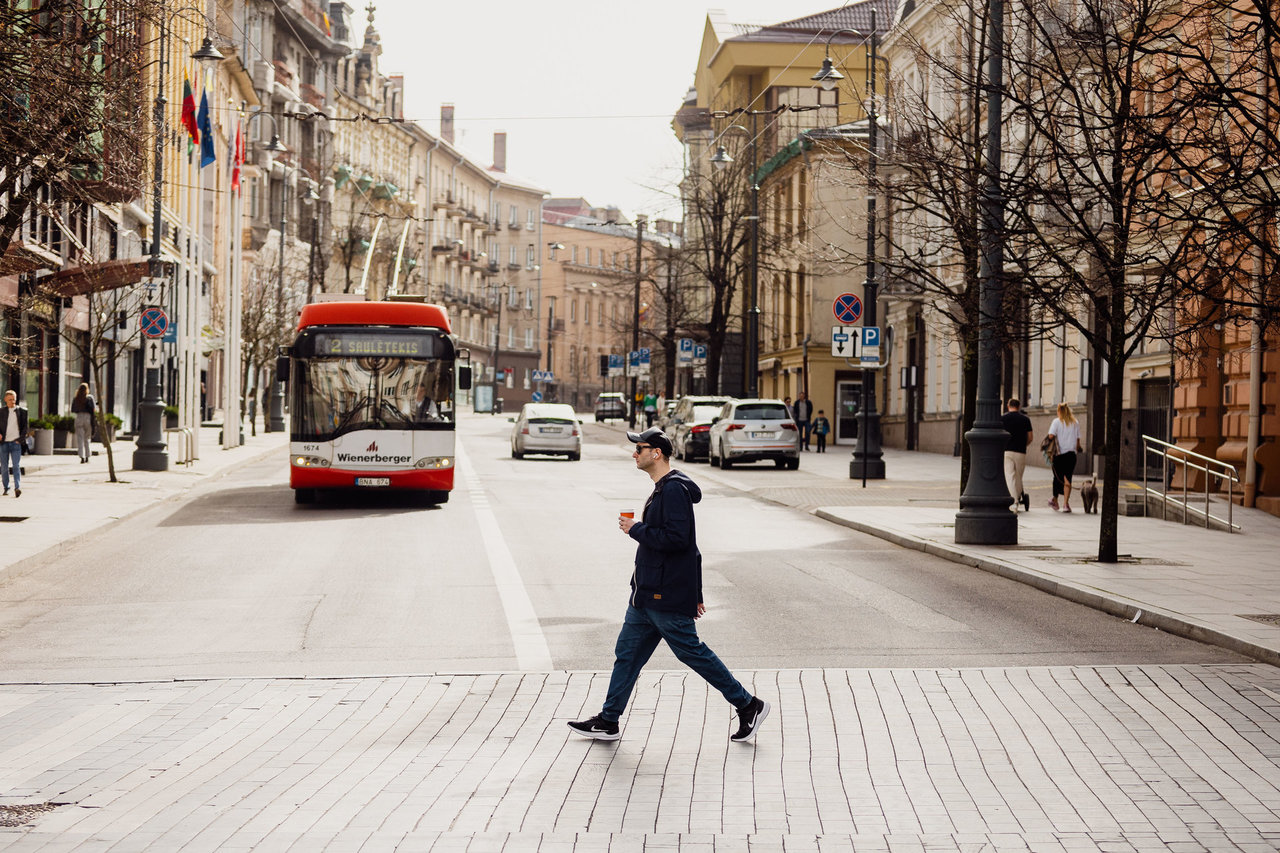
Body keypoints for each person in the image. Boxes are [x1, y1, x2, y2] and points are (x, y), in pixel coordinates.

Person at [568, 427, 770, 743]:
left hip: (664, 595)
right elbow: (692, 547)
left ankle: (748, 704)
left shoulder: (673, 491)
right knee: (627, 654)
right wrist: (696, 592)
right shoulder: (663, 488)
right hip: (645, 596)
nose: (634, 454)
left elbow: (679, 541)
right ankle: (608, 720)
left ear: (656, 453)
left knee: (693, 653)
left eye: (639, 449)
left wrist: (636, 529)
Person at [1047, 402, 1082, 512]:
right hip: (1071, 455)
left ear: (1059, 411)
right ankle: (1066, 504)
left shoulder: (1056, 422)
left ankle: (1055, 501)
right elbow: (1078, 441)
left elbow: (1051, 436)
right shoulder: (1075, 422)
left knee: (1057, 478)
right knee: (1068, 479)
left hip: (1059, 455)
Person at [1001, 398, 1033, 512]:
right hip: (1020, 451)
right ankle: (1016, 499)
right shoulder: (1025, 419)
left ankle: (1013, 503)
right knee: (1019, 476)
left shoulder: (1002, 418)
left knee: (1010, 476)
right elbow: (1030, 437)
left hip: (1006, 451)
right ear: (1019, 407)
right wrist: (1024, 444)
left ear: (1008, 406)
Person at [1, 390, 28, 497]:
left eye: (14, 399)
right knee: (4, 467)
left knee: (16, 466)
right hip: (3, 443)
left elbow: (25, 427)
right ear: (5, 400)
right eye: (10, 399)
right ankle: (6, 488)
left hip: (16, 443)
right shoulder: (1, 412)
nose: (13, 402)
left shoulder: (22, 411)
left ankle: (17, 487)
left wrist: (19, 440)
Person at [71, 383, 95, 463]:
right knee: (87, 438)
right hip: (88, 418)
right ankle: (88, 456)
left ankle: (82, 456)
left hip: (79, 417)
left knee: (80, 438)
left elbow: (73, 409)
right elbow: (93, 409)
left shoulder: (76, 398)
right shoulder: (90, 398)